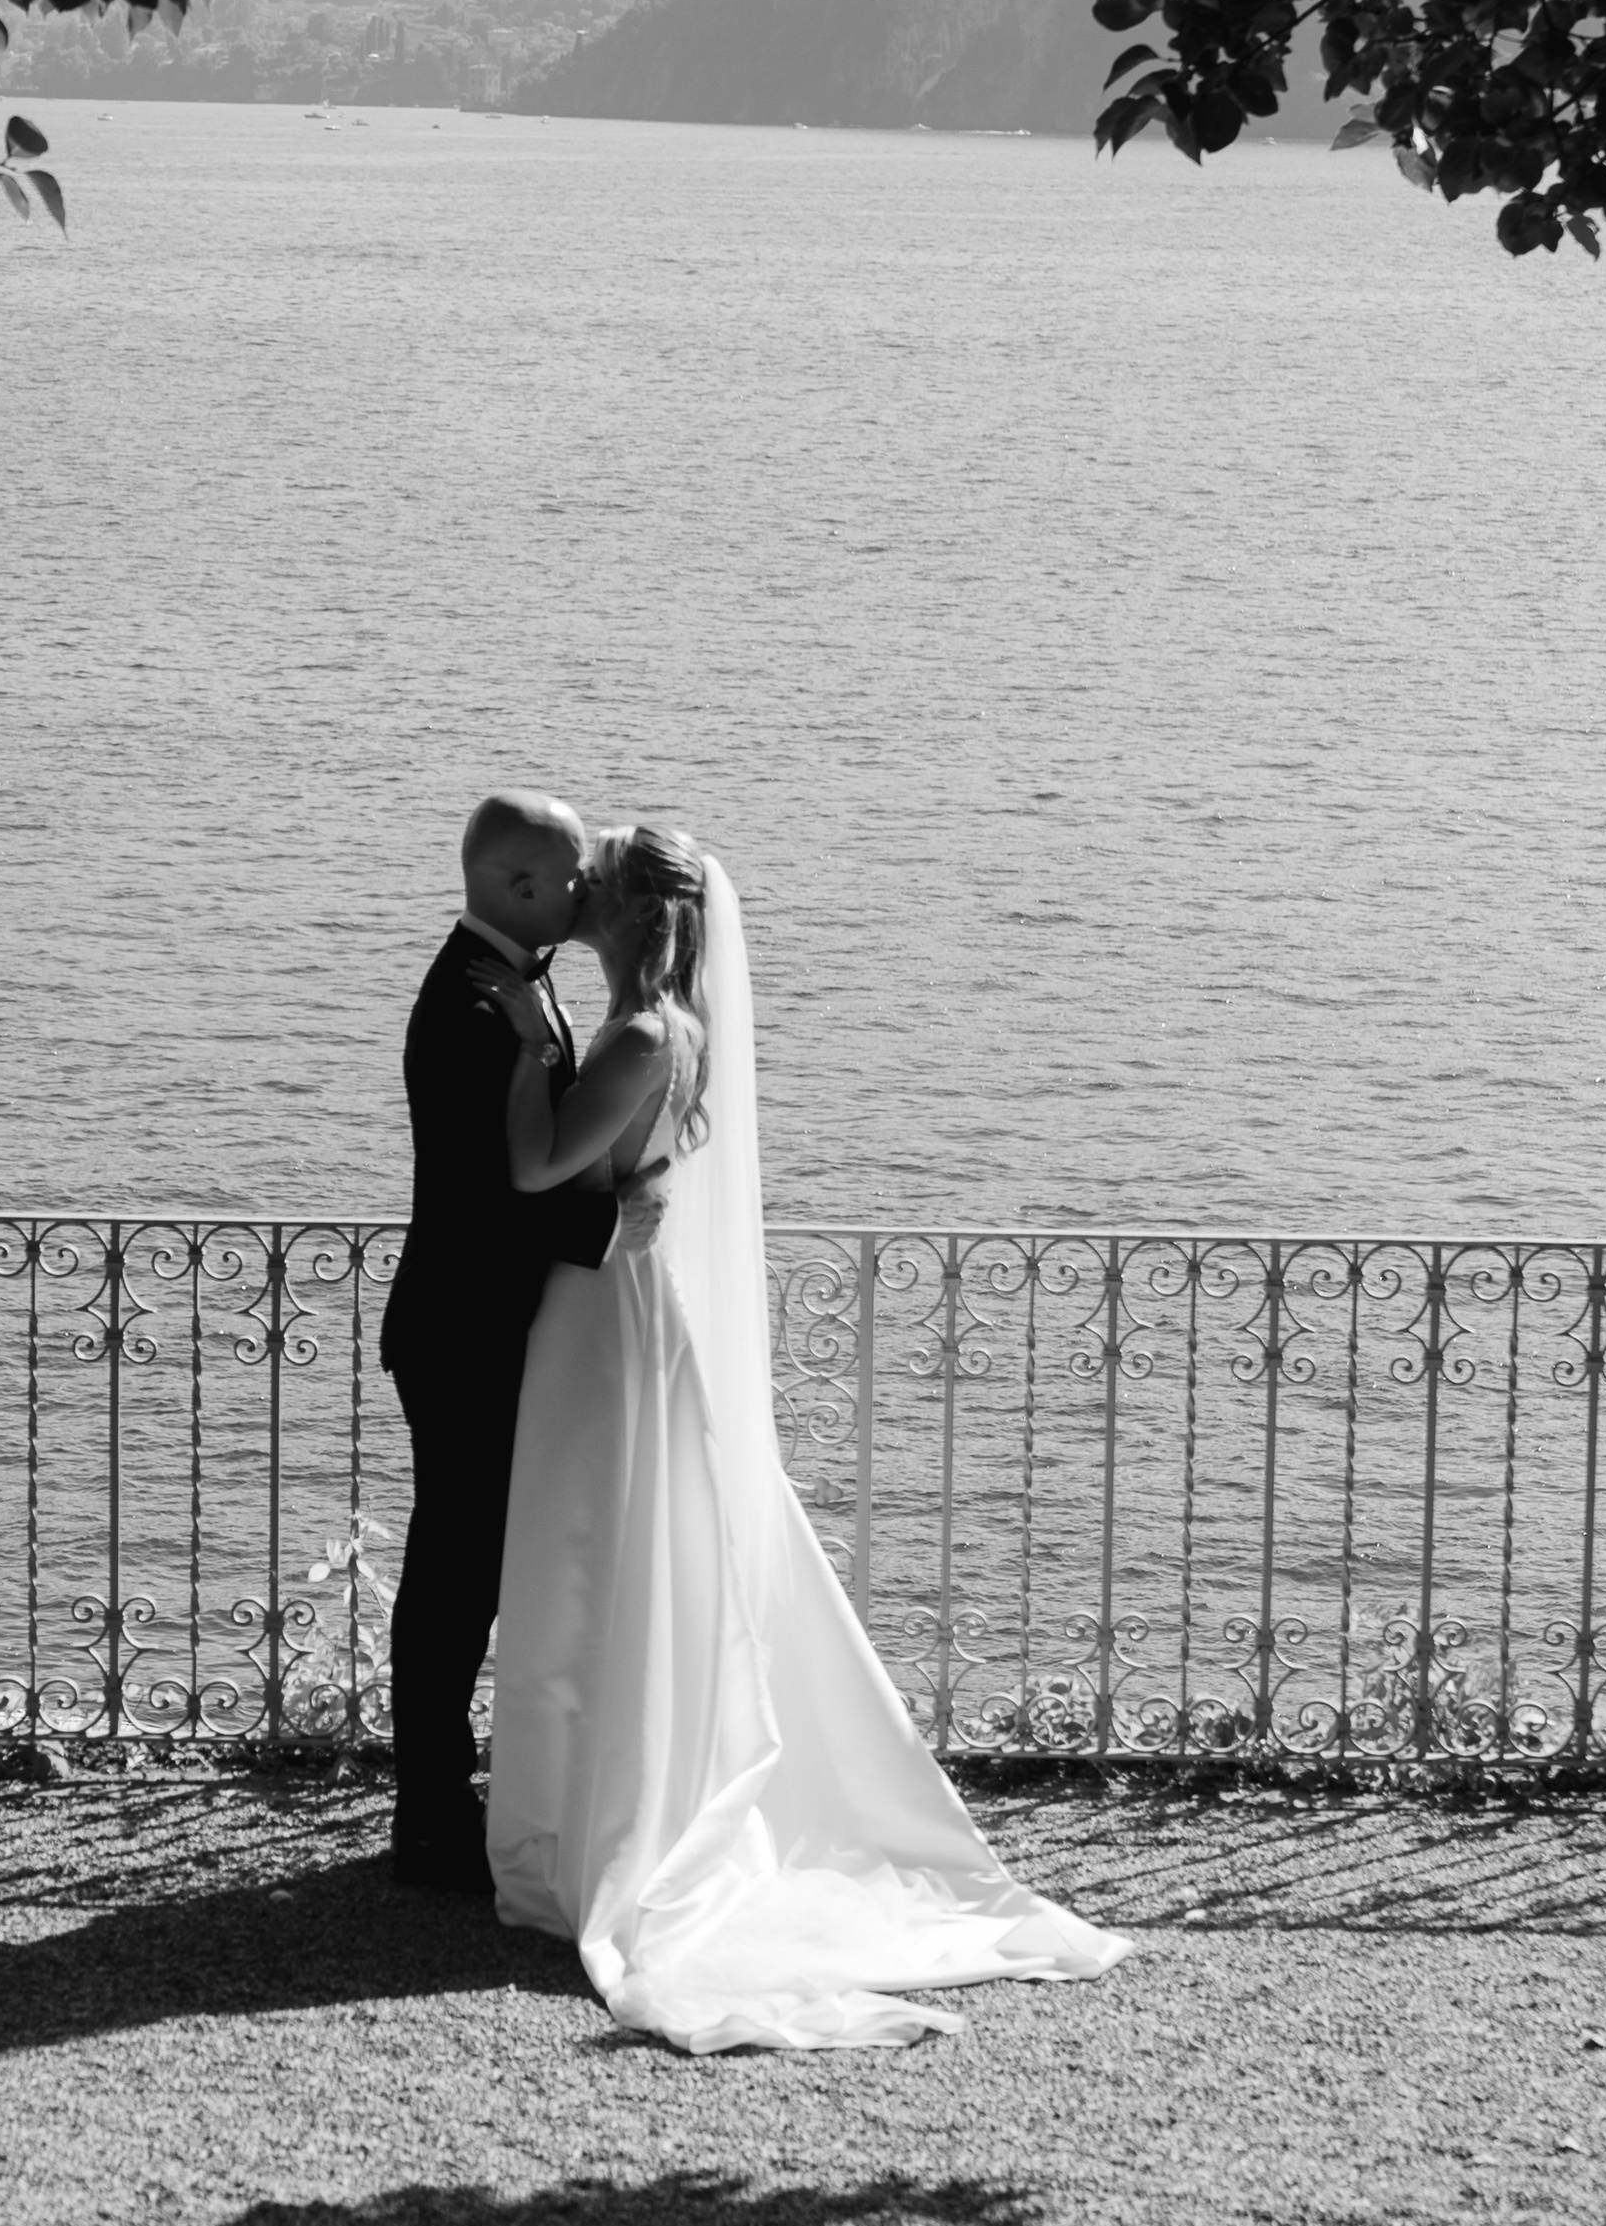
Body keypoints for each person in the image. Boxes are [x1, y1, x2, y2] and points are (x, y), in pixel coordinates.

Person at [470, 825, 1129, 2051]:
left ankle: (594, 1819)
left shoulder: (641, 1034)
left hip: (601, 1313)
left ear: (631, 914)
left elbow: (533, 1166)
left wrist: (521, 1046)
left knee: (588, 1543)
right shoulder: (659, 1028)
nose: (577, 891)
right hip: (607, 1298)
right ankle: (580, 1803)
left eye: (594, 881)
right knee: (594, 1546)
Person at [377, 791, 653, 1892]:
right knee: (455, 1576)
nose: (587, 891)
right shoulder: (470, 1005)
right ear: (523, 886)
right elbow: (487, 1194)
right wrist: (616, 1227)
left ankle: (448, 1798)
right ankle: (430, 1816)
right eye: (574, 876)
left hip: (489, 1322)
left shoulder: (507, 983)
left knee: (474, 1567)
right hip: (461, 1328)